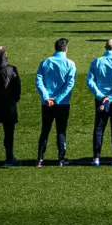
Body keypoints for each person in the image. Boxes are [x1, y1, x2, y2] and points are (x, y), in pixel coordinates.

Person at [86, 38, 112, 167]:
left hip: (100, 100)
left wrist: (101, 96)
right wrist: (111, 97)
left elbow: (90, 81)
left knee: (99, 128)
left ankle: (96, 158)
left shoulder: (97, 61)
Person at [35, 37, 76, 167]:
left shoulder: (45, 62)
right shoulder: (70, 64)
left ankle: (40, 158)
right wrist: (58, 99)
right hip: (62, 103)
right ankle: (61, 159)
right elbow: (69, 84)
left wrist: (47, 97)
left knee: (45, 130)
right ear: (66, 49)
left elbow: (39, 81)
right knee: (61, 131)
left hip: (46, 103)